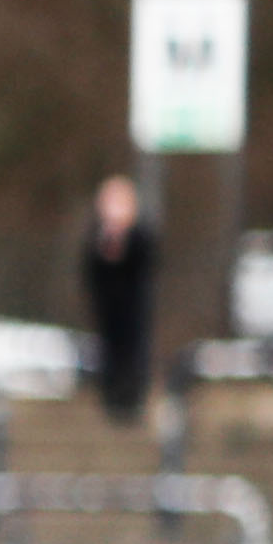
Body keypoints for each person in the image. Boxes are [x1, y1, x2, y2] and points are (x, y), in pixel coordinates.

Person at [80, 172, 164, 429]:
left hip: (133, 310)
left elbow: (147, 266)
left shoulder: (140, 236)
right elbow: (90, 271)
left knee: (134, 354)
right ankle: (112, 403)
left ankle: (133, 402)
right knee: (109, 355)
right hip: (108, 311)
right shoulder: (97, 237)